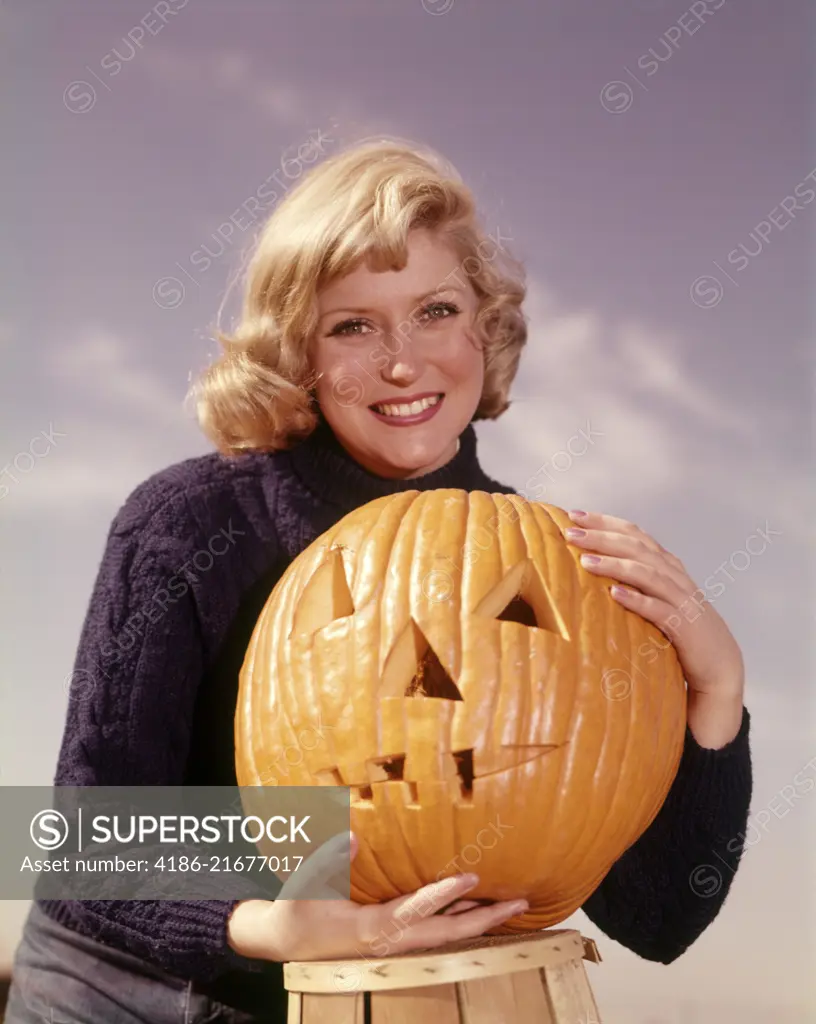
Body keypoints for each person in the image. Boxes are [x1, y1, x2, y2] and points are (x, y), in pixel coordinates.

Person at [6, 140, 752, 1024]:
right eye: (352, 326)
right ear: (298, 352)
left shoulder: (559, 570)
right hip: (111, 992)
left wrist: (716, 692)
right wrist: (279, 924)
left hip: (351, 1003)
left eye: (435, 310)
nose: (403, 363)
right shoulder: (189, 521)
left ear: (488, 326)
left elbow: (659, 917)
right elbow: (84, 841)